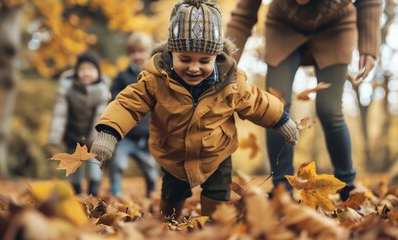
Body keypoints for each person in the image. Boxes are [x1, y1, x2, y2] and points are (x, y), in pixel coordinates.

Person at [90, 0, 299, 218]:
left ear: (216, 57)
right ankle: (167, 222)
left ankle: (213, 226)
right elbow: (128, 103)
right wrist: (109, 132)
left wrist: (282, 120)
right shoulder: (156, 80)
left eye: (204, 60)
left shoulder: (231, 82)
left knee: (218, 193)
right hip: (174, 153)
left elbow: (257, 102)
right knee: (172, 194)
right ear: (172, 53)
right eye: (185, 59)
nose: (194, 67)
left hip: (217, 151)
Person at [226, 0, 382, 200]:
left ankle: (348, 186)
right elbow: (243, 15)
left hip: (336, 26)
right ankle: (281, 188)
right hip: (283, 26)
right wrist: (223, 61)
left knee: (329, 109)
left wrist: (368, 47)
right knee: (275, 106)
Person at [48, 50, 110, 196]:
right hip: (73, 133)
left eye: (90, 69)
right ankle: (76, 191)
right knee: (74, 164)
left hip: (93, 134)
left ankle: (94, 189)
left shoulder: (102, 90)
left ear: (98, 72)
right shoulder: (67, 87)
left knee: (94, 161)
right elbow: (60, 113)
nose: (86, 72)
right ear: (76, 71)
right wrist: (54, 138)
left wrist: (94, 140)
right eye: (82, 69)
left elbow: (100, 116)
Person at [109, 32, 159, 198]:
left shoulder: (156, 77)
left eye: (142, 51)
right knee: (118, 164)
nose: (137, 56)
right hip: (127, 135)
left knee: (150, 169)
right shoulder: (123, 77)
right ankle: (116, 192)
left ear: (150, 53)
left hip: (147, 136)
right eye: (133, 52)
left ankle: (151, 194)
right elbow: (114, 98)